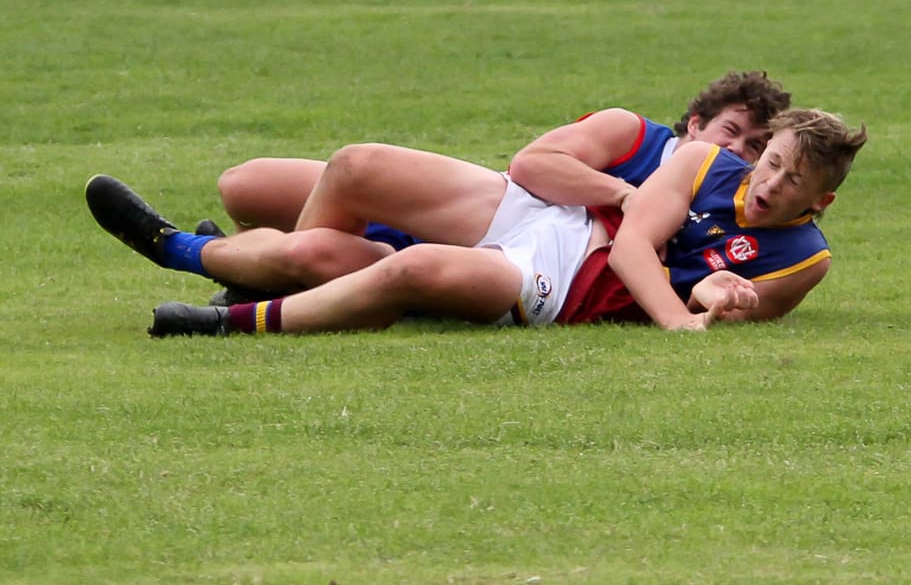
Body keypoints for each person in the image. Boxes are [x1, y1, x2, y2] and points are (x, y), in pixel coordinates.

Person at [144, 108, 867, 337]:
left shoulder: (804, 257)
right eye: (767, 159)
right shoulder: (686, 154)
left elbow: (721, 296)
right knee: (353, 165)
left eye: (790, 179)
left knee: (400, 269)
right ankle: (200, 252)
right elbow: (539, 170)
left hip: (561, 275)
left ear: (822, 199)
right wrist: (679, 315)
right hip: (547, 213)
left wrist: (718, 302)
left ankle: (225, 309)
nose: (766, 180)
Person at [87, 71, 791, 299]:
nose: (737, 152)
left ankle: (203, 254)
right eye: (730, 132)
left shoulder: (720, 206)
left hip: (496, 257)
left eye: (755, 148)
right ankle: (266, 267)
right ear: (695, 120)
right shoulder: (634, 136)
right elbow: (531, 166)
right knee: (242, 185)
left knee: (322, 257)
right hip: (477, 202)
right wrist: (624, 192)